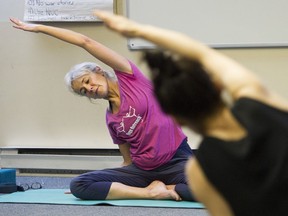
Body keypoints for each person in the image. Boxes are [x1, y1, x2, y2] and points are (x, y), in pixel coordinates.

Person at [95, 11, 288, 216]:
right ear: (218, 85)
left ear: (177, 119)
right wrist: (136, 30)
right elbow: (202, 53)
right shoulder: (255, 100)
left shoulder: (200, 172)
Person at [10, 18, 196, 201]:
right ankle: (151, 192)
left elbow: (85, 41)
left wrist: (40, 28)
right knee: (79, 185)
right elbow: (127, 162)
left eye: (87, 81)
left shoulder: (130, 78)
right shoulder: (111, 119)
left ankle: (168, 187)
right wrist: (96, 186)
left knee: (217, 189)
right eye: (84, 91)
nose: (89, 89)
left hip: (176, 162)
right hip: (143, 171)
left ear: (98, 70)